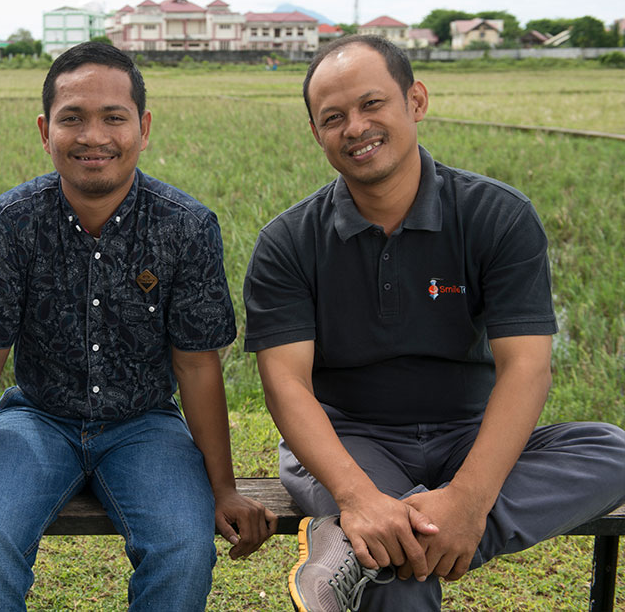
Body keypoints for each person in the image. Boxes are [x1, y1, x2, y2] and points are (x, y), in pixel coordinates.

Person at [242, 34, 625, 612]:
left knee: (611, 450)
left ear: (414, 101)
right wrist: (356, 496)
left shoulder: (497, 215)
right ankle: (376, 534)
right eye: (333, 117)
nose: (356, 127)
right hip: (350, 437)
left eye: (373, 104)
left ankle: (355, 541)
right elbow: (286, 385)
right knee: (396, 572)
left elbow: (526, 367)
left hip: (468, 431)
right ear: (316, 133)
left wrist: (470, 501)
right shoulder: (288, 241)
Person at [0, 41, 277, 611]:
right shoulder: (10, 224)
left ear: (144, 127)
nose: (94, 136)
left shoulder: (186, 228)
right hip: (36, 419)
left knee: (184, 547)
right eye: (72, 118)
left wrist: (225, 488)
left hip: (145, 425)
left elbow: (197, 366)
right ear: (45, 130)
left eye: (114, 117)